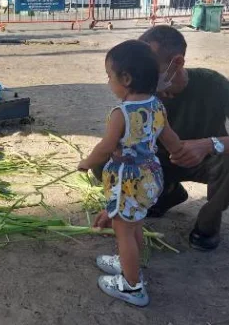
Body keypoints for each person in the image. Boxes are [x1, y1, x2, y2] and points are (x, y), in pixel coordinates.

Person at [93, 25, 229, 251]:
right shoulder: (141, 97)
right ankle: (167, 194)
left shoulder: (212, 84)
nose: (141, 75)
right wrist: (117, 205)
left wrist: (208, 144)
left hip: (204, 161)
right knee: (104, 161)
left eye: (149, 67)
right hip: (156, 167)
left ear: (176, 63)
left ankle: (209, 220)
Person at [78, 40, 183, 307]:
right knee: (134, 223)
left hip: (127, 181)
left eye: (109, 76)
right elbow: (170, 139)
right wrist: (178, 151)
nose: (108, 82)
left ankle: (132, 286)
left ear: (126, 78)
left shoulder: (121, 113)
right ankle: (131, 261)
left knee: (122, 229)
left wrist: (87, 162)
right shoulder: (157, 106)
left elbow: (105, 147)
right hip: (150, 177)